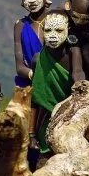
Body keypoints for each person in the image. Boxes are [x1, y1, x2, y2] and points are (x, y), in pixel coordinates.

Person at [31, 11, 77, 155]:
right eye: (48, 30)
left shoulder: (74, 55)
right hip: (45, 121)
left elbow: (79, 76)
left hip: (70, 118)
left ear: (68, 30)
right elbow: (35, 99)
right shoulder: (38, 59)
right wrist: (31, 134)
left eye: (58, 30)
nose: (52, 35)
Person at [13, 0, 50, 89]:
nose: (32, 0)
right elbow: (20, 67)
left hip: (57, 83)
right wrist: (36, 76)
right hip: (31, 85)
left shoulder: (57, 19)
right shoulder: (20, 26)